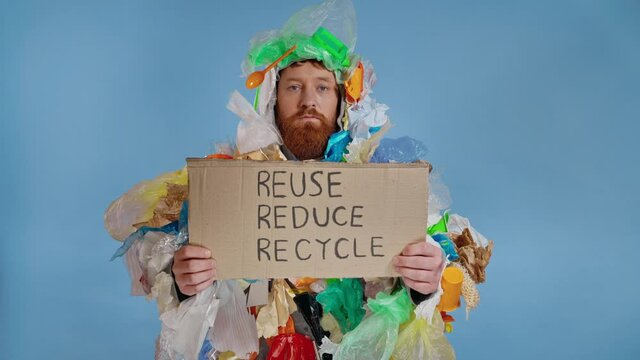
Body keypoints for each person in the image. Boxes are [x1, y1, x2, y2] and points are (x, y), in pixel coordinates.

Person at [172, 60, 445, 303]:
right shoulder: (227, 185)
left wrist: (426, 282)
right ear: (273, 100)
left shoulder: (387, 182)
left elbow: (436, 276)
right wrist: (184, 282)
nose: (308, 101)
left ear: (341, 101)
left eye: (323, 87)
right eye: (293, 87)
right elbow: (198, 290)